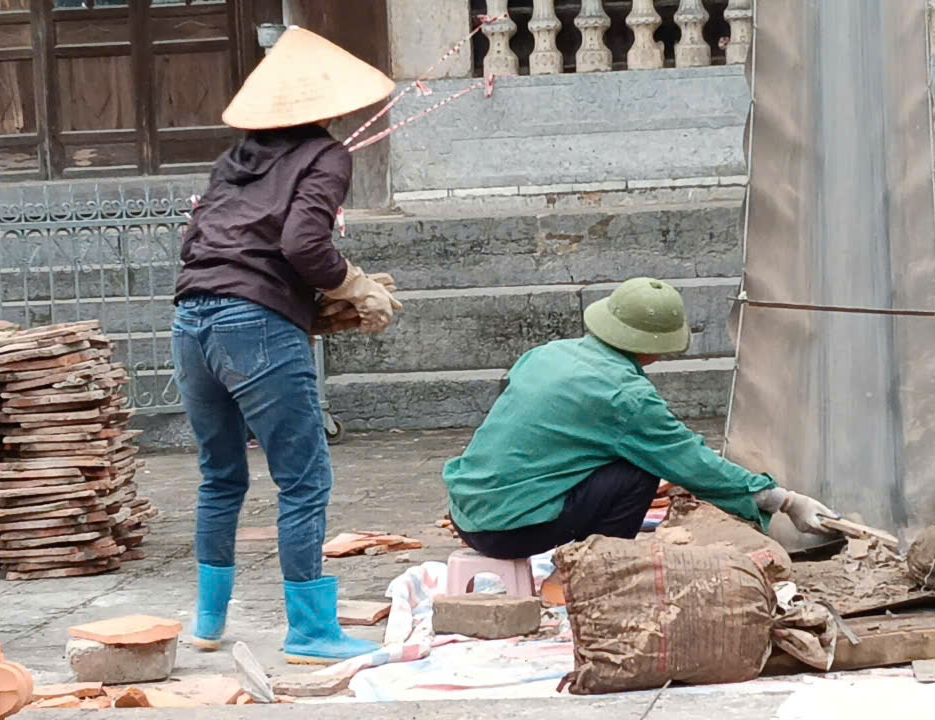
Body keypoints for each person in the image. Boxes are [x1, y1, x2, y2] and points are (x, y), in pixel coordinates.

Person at [173, 27, 401, 665]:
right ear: (327, 102)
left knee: (221, 477)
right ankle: (310, 630)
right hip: (254, 325)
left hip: (191, 319)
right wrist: (353, 285)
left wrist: (306, 304)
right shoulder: (327, 155)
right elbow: (303, 245)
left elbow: (204, 245)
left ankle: (208, 622)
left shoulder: (235, 158)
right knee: (303, 479)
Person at [443, 277, 837, 559]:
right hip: (507, 530)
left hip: (467, 512)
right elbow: (690, 463)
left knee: (618, 458)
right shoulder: (625, 398)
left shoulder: (549, 353)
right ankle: (599, 570)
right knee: (637, 473)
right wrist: (784, 500)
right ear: (656, 347)